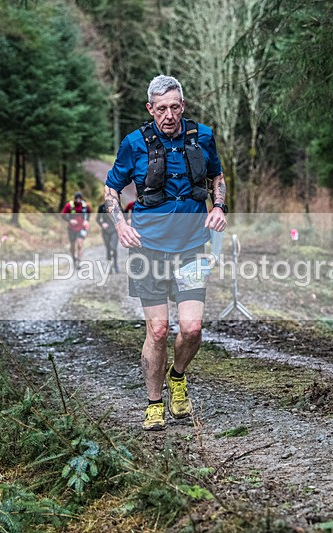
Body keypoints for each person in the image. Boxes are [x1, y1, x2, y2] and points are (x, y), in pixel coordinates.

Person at [103, 75, 227, 431]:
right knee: (158, 330)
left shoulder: (202, 136)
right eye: (161, 109)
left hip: (191, 248)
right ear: (150, 109)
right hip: (149, 250)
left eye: (175, 107)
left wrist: (218, 206)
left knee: (191, 327)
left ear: (182, 106)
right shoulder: (134, 143)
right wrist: (120, 225)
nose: (169, 115)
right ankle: (154, 403)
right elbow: (111, 188)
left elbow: (217, 176)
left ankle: (178, 376)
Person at [61, 191, 91, 269]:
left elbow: (89, 213)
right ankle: (73, 257)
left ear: (81, 199)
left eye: (79, 198)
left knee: (80, 243)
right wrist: (69, 220)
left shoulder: (85, 205)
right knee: (73, 245)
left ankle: (79, 261)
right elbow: (63, 215)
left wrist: (86, 220)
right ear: (74, 199)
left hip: (82, 228)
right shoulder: (69, 205)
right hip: (71, 228)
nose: (78, 200)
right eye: (77, 198)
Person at [96, 201, 121, 272]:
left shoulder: (116, 206)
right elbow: (97, 219)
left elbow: (123, 216)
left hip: (114, 231)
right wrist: (102, 224)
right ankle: (109, 267)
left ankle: (115, 265)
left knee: (114, 248)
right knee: (108, 249)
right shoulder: (101, 207)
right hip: (105, 231)